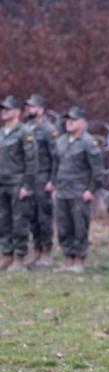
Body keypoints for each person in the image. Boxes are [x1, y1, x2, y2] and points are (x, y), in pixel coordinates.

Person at [53, 106, 101, 273]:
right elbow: (56, 164)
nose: (69, 123)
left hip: (79, 190)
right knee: (64, 226)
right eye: (68, 120)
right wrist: (53, 183)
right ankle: (67, 257)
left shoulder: (88, 142)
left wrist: (91, 189)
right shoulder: (61, 141)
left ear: (82, 122)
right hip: (62, 189)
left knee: (79, 225)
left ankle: (79, 259)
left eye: (73, 120)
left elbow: (97, 170)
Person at [0, 96, 38, 272]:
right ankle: (6, 254)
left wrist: (27, 185)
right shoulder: (1, 132)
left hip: (17, 182)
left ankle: (19, 256)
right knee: (3, 220)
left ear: (17, 112)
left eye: (8, 109)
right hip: (2, 182)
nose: (4, 112)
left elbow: (31, 161)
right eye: (3, 109)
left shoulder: (24, 132)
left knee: (19, 220)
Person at [24, 93, 58, 267]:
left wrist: (53, 180)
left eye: (33, 106)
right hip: (29, 178)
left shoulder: (48, 130)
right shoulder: (27, 128)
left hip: (43, 177)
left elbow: (56, 156)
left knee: (44, 216)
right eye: (28, 106)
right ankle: (36, 249)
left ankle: (46, 251)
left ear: (41, 109)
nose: (29, 109)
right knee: (32, 215)